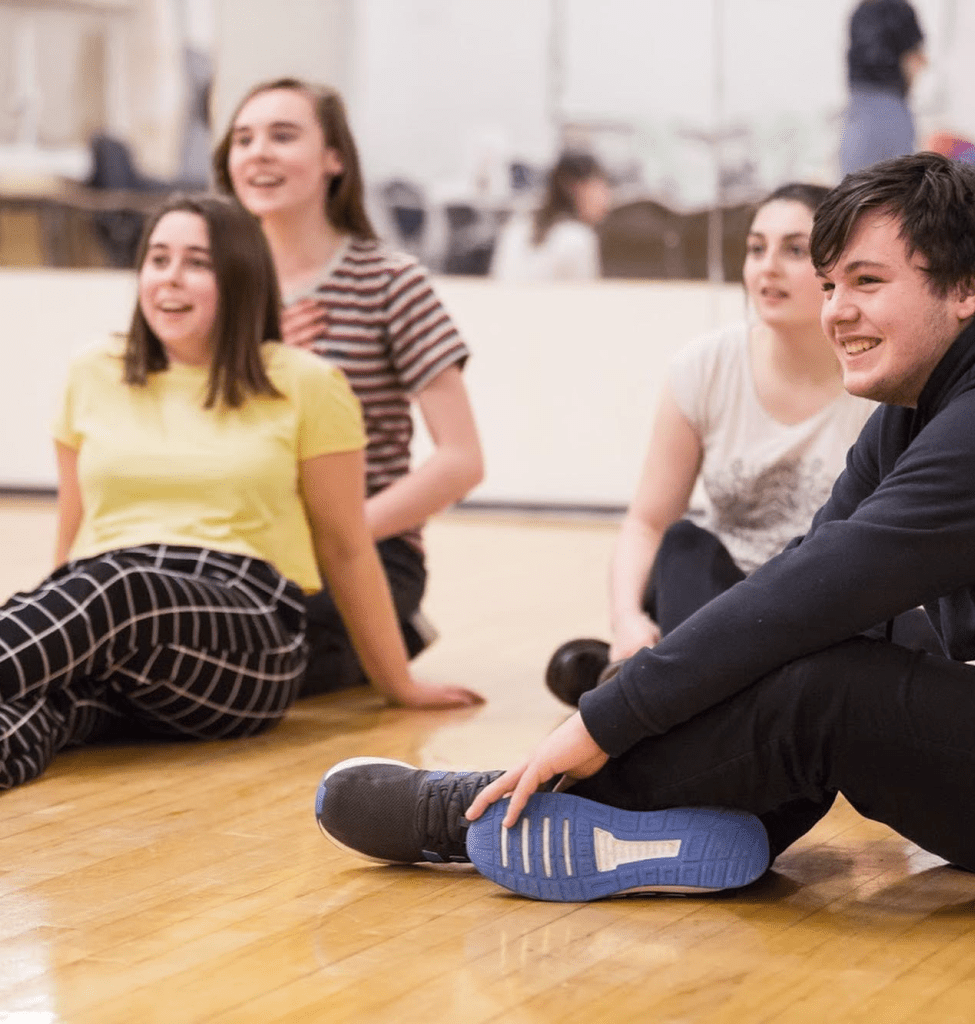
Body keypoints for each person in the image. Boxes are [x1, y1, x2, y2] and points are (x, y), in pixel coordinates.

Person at [315, 153, 975, 902]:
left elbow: (827, 584)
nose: (835, 312)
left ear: (970, 285)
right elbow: (811, 568)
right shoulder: (918, 405)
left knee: (828, 689)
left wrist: (603, 722)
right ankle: (685, 825)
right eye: (831, 285)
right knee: (792, 632)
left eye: (868, 281)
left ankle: (497, 807)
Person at [0, 193, 485, 792]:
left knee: (122, 587)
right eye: (158, 259)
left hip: (245, 624)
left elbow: (346, 546)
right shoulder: (92, 370)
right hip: (111, 608)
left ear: (240, 278)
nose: (170, 279)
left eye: (197, 263)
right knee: (42, 706)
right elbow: (73, 532)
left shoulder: (307, 382)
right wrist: (63, 642)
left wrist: (398, 685)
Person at [545, 183, 879, 706]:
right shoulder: (704, 366)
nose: (767, 267)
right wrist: (627, 619)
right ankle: (650, 667)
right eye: (755, 248)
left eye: (794, 250)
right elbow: (647, 522)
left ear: (839, 267)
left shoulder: (878, 379)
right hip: (711, 601)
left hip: (817, 610)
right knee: (682, 544)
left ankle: (642, 684)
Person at [213, 78, 484, 702]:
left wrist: (342, 534)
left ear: (334, 158)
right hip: (242, 547)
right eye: (244, 139)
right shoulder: (214, 286)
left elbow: (461, 461)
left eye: (283, 136)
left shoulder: (391, 282)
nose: (258, 153)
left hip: (362, 556)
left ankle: (385, 633)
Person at [490, 151, 611, 282]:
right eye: (601, 187)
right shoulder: (578, 237)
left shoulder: (516, 227)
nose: (607, 197)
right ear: (575, 187)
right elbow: (586, 297)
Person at [839, 0, 926, 177]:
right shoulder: (901, 10)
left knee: (855, 180)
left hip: (859, 104)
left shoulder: (860, 12)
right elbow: (913, 60)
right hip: (890, 103)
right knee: (900, 180)